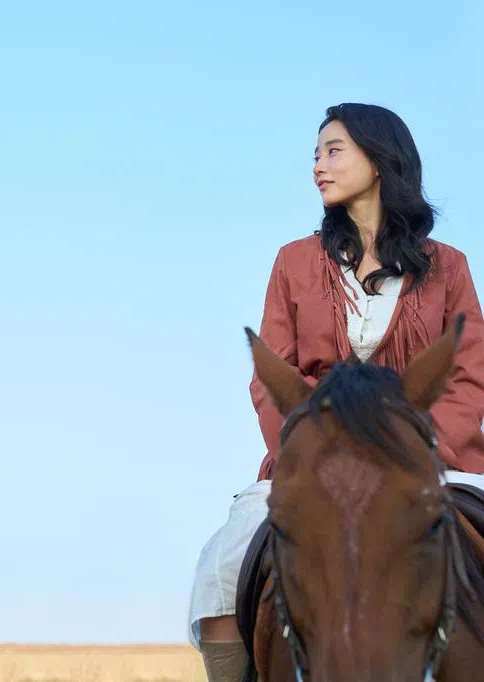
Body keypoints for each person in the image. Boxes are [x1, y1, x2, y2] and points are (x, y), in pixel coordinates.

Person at [186, 102, 484, 682]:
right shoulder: (293, 262)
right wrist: (311, 452)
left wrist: (411, 450)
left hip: (430, 461)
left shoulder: (450, 267)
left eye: (333, 151)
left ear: (379, 159)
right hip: (313, 465)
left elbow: (469, 374)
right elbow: (271, 375)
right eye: (315, 155)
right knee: (219, 572)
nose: (318, 166)